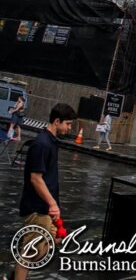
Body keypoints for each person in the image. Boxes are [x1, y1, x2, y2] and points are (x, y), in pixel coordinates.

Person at [15, 103, 76, 280]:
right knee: (28, 254)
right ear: (57, 121)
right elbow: (36, 178)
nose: (69, 128)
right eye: (68, 124)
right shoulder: (42, 144)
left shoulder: (50, 142)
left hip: (45, 208)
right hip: (37, 208)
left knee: (57, 239)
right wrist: (53, 204)